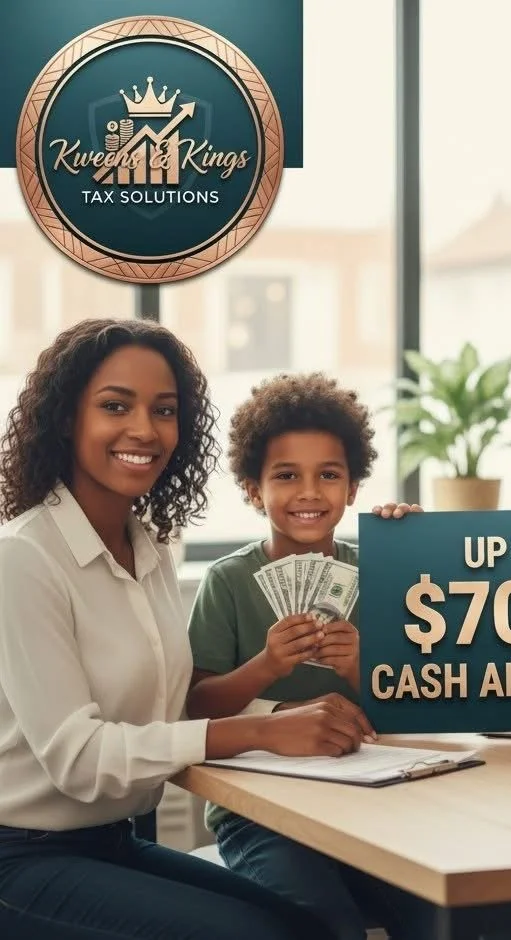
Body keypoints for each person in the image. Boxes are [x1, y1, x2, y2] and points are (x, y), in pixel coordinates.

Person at [0, 319, 364, 940]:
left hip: (115, 841)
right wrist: (263, 728)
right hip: (24, 857)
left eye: (163, 410)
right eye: (116, 406)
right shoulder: (23, 557)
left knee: (309, 927)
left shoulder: (152, 551)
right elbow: (80, 760)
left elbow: (166, 711)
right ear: (66, 418)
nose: (144, 429)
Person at [186, 373, 423, 940]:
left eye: (330, 475)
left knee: (441, 909)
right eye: (286, 476)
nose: (310, 493)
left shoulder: (382, 570)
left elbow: (425, 698)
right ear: (252, 488)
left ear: (354, 489)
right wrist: (266, 666)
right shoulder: (228, 581)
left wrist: (359, 668)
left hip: (377, 797)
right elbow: (195, 707)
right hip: (261, 814)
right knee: (326, 924)